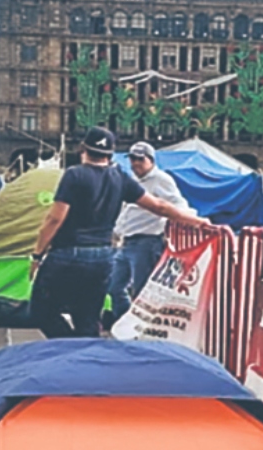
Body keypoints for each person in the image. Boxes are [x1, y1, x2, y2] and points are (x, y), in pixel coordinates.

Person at [29, 127, 209, 339]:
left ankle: (68, 345)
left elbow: (55, 219)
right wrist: (197, 221)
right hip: (103, 256)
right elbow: (159, 206)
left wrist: (37, 255)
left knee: (42, 310)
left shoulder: (74, 175)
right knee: (87, 316)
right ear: (110, 154)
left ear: (82, 149)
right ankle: (84, 357)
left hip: (69, 253)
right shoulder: (120, 178)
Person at [108, 142, 191, 323]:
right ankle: (126, 323)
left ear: (151, 160)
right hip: (127, 242)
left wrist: (191, 220)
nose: (135, 163)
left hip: (147, 242)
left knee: (142, 290)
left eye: (140, 159)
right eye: (132, 159)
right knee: (114, 286)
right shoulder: (134, 180)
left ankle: (141, 327)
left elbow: (178, 204)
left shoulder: (161, 179)